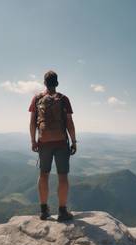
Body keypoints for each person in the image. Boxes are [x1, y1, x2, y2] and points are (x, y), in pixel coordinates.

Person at [29, 70, 77, 222]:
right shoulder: (63, 99)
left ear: (44, 83)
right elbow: (69, 123)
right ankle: (62, 212)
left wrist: (33, 141)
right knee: (62, 176)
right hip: (61, 142)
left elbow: (32, 122)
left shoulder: (37, 98)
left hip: (44, 142)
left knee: (44, 175)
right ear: (57, 83)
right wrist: (74, 141)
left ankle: (44, 211)